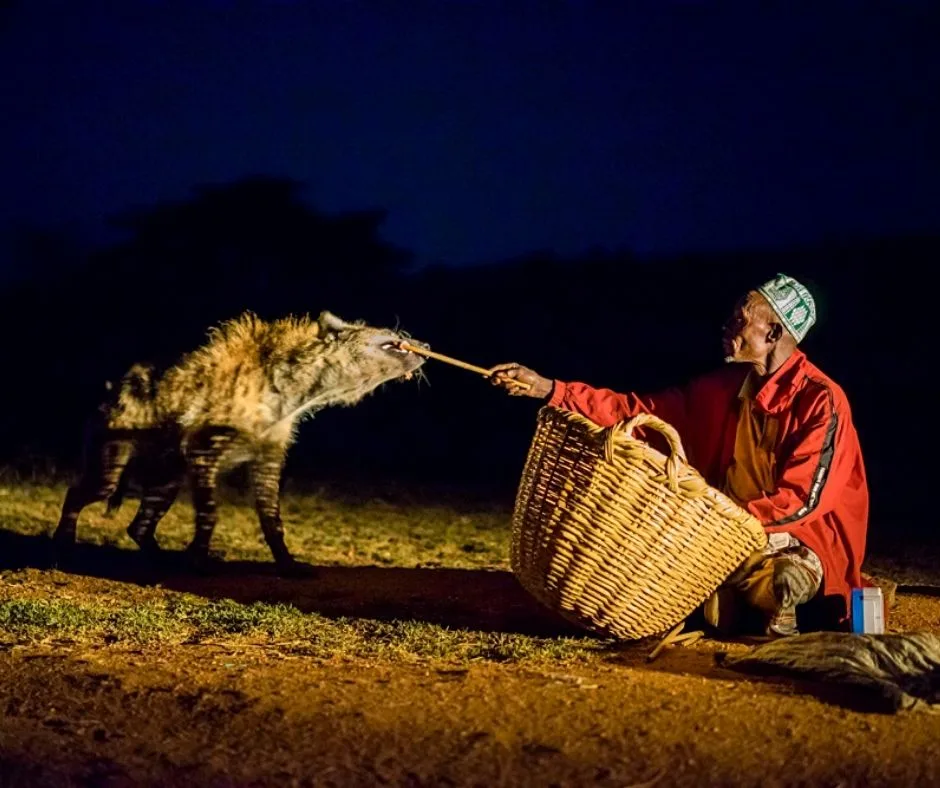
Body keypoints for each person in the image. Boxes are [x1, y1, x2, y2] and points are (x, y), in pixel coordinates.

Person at [489, 273, 870, 637]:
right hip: (728, 525)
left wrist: (720, 527)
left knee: (781, 564)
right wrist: (549, 389)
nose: (727, 326)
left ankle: (772, 589)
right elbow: (637, 411)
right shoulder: (724, 388)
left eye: (740, 319)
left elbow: (803, 501)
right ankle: (755, 597)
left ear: (773, 333)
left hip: (795, 533)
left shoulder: (821, 400)